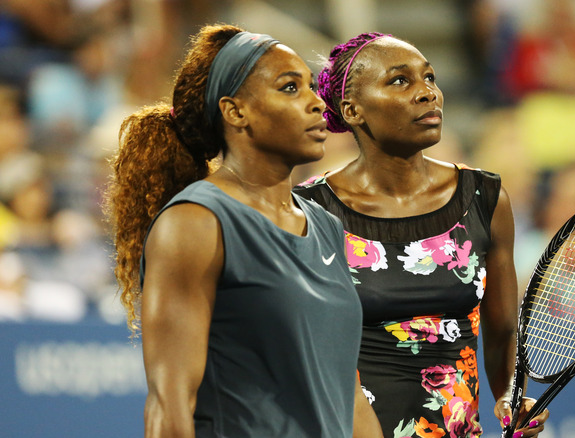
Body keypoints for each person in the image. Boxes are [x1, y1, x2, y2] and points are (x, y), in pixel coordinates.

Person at [104, 24, 381, 437]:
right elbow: (170, 403)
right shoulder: (195, 222)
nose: (315, 102)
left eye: (310, 86)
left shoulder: (326, 226)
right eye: (290, 88)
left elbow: (349, 396)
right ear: (236, 112)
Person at [294, 32, 549, 438]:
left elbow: (501, 333)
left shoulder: (485, 198)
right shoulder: (308, 210)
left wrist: (509, 397)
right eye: (400, 80)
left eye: (429, 78)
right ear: (352, 110)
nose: (427, 93)